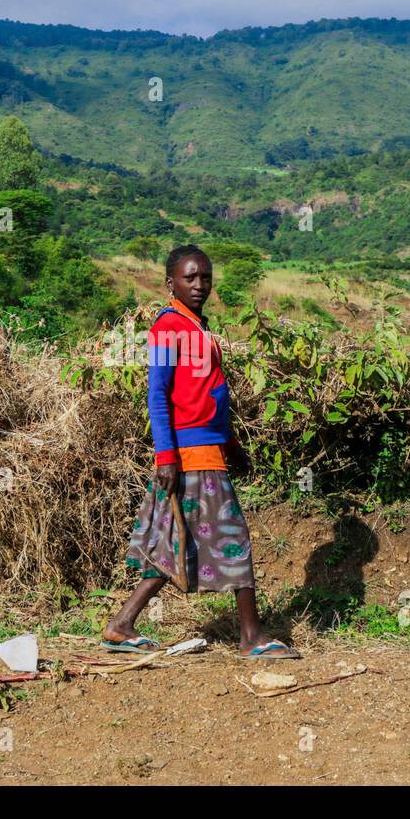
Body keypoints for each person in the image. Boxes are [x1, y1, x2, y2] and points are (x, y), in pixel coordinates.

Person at [101, 244, 300, 659]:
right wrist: (166, 456)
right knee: (234, 537)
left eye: (205, 277)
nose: (199, 285)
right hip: (191, 453)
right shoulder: (169, 327)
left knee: (177, 539)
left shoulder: (196, 328)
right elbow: (158, 395)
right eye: (190, 278)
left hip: (208, 447)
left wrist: (232, 444)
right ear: (170, 283)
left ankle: (121, 625)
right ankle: (251, 636)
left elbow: (208, 398)